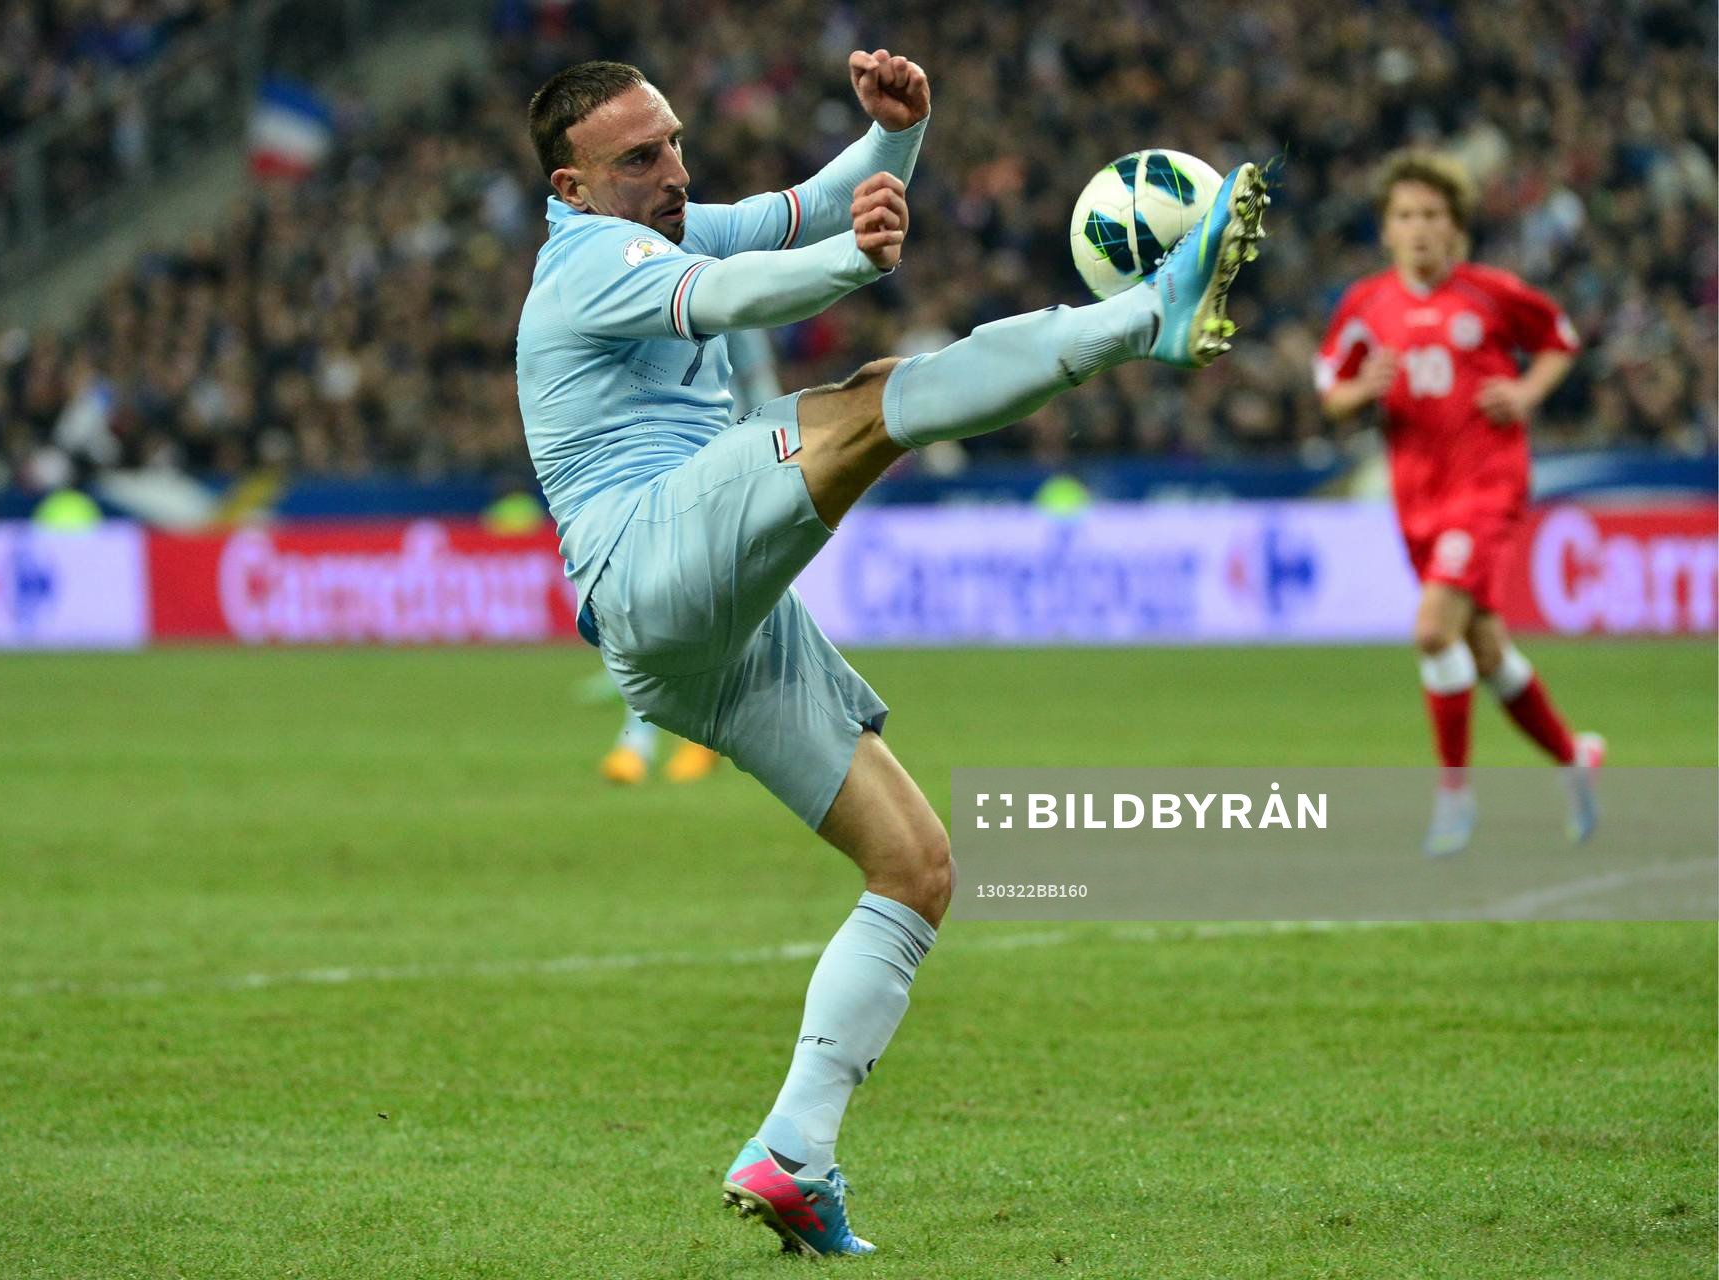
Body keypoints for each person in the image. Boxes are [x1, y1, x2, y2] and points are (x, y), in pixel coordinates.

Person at [516, 52, 1267, 1255]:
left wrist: (896, 137)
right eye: (641, 157)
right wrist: (851, 263)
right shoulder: (584, 262)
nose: (674, 169)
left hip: (697, 633)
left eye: (674, 141)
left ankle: (793, 1151)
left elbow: (809, 205)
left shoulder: (669, 221)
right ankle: (1145, 317)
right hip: (645, 553)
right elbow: (732, 294)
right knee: (873, 402)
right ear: (572, 184)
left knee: (916, 866)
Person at [1314, 148, 1602, 858]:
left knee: (1431, 631)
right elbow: (1331, 395)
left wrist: (1527, 391)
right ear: (1386, 228)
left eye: (1432, 215)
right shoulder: (1366, 306)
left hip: (1487, 486)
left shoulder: (1491, 293)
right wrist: (1364, 390)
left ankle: (1453, 793)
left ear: (1456, 226)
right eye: (1405, 215)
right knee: (1486, 650)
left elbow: (1561, 340)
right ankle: (1573, 758)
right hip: (1416, 497)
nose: (1419, 228)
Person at [598, 328, 780, 786]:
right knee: (649, 603)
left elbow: (759, 383)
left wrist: (773, 455)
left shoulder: (734, 307)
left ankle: (693, 737)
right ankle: (638, 742)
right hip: (659, 463)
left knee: (706, 605)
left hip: (725, 466)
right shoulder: (646, 303)